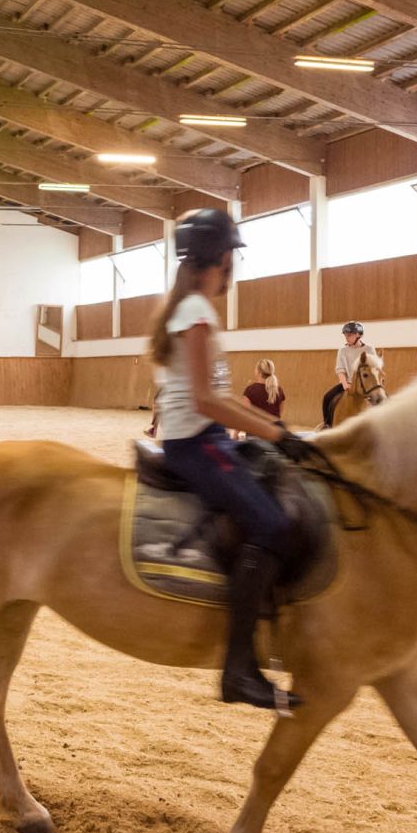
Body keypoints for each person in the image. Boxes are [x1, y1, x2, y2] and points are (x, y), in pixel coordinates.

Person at [150, 209, 309, 712]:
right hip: (195, 443)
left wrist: (276, 435)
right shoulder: (196, 310)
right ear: (222, 258)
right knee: (271, 525)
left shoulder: (186, 306)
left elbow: (216, 399)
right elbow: (205, 401)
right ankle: (239, 670)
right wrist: (277, 432)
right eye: (231, 257)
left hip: (207, 437)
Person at [320, 321, 372, 428]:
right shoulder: (343, 351)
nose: (346, 338)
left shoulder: (369, 349)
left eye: (349, 335)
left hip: (366, 385)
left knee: (382, 400)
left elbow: (373, 368)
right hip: (348, 383)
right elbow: (340, 369)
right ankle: (327, 424)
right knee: (327, 397)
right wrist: (344, 384)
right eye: (345, 335)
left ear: (358, 335)